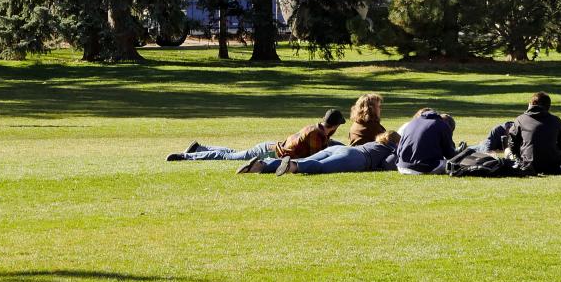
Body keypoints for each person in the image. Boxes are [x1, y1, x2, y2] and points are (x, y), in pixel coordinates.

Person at [168, 110, 346, 161]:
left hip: (270, 147)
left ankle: (199, 148)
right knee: (227, 156)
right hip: (268, 153)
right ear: (335, 126)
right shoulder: (317, 135)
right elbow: (317, 158)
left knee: (232, 152)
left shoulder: (315, 128)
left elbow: (329, 145)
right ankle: (186, 156)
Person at [242, 132, 402, 175]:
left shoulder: (375, 142)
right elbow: (388, 164)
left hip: (340, 149)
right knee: (320, 167)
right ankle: (292, 166)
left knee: (307, 159)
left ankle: (262, 164)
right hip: (356, 158)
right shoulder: (391, 148)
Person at [507, 92, 561, 175]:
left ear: (531, 104)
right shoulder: (556, 120)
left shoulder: (520, 119)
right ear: (548, 106)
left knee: (507, 151)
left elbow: (512, 143)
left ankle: (517, 164)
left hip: (528, 164)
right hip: (552, 165)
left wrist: (519, 155)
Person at [395, 110, 457, 175]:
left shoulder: (412, 122)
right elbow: (450, 155)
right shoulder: (442, 125)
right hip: (423, 168)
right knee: (451, 164)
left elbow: (399, 150)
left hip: (402, 167)